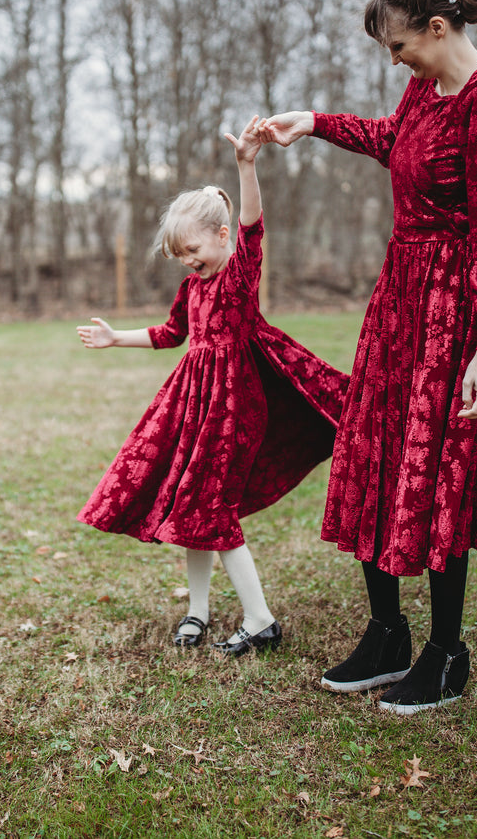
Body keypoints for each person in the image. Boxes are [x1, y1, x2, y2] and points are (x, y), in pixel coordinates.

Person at [260, 0, 477, 713]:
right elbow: (391, 138)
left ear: (438, 29)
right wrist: (311, 123)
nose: (394, 59)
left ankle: (446, 653)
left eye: (400, 46)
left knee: (437, 468)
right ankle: (386, 633)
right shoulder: (421, 87)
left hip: (451, 312)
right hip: (397, 299)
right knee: (371, 449)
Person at [76, 117, 350, 656]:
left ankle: (259, 619)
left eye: (192, 250)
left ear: (221, 237)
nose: (186, 262)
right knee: (190, 503)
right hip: (193, 406)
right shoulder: (193, 287)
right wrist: (116, 338)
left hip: (235, 405)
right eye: (178, 255)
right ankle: (198, 612)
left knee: (210, 507)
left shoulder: (238, 272)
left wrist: (246, 163)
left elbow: (253, 224)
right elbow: (170, 334)